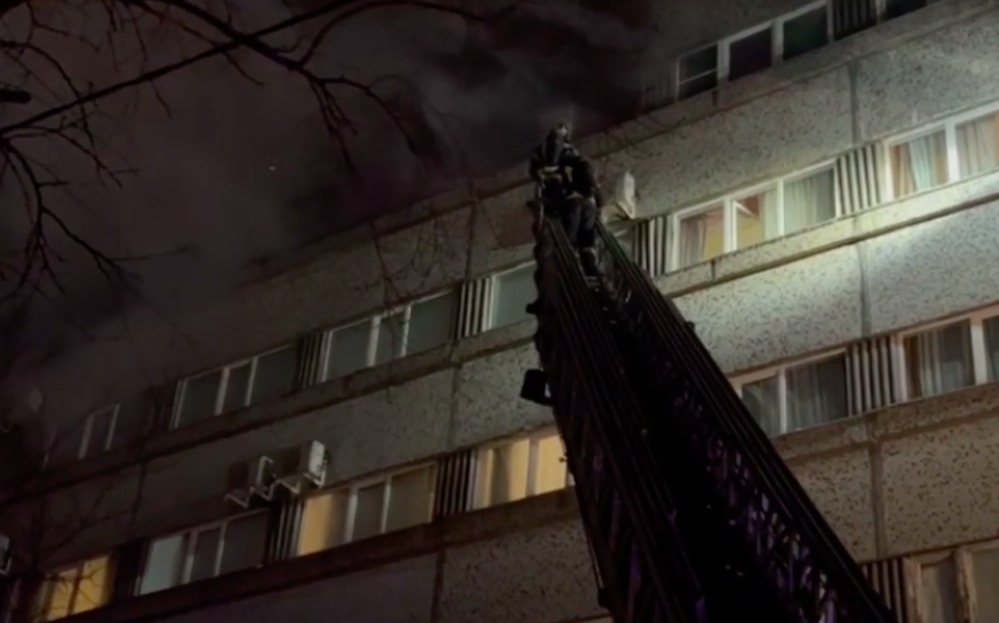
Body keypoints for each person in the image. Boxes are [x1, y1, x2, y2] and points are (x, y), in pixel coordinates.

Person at [528, 123, 604, 277]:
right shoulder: (556, 154)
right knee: (581, 224)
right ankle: (580, 255)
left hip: (570, 201)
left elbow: (579, 165)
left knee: (581, 222)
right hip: (573, 201)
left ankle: (581, 256)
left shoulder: (561, 155)